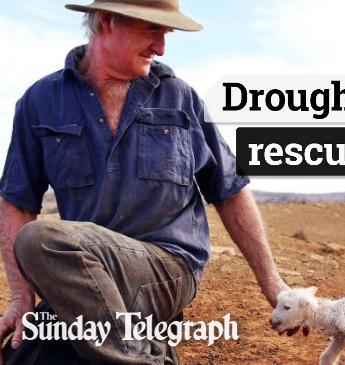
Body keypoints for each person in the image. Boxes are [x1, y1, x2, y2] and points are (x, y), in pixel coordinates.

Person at [0, 1, 289, 363]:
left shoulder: (180, 99)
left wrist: (273, 284)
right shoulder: (40, 102)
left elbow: (229, 191)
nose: (162, 47)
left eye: (166, 33)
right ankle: (146, 352)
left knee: (40, 240)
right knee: (24, 356)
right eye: (153, 29)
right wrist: (21, 298)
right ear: (106, 21)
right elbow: (17, 201)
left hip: (167, 270)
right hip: (87, 275)